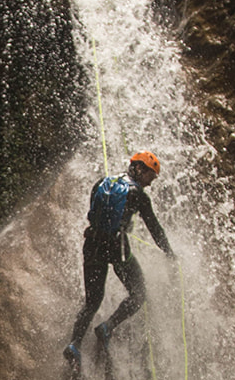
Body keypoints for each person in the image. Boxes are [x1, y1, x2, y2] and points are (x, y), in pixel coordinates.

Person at [63, 150, 175, 367]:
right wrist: (169, 253)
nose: (150, 184)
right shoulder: (139, 195)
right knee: (139, 292)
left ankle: (74, 344)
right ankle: (107, 327)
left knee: (92, 301)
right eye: (150, 177)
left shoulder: (101, 183)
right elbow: (155, 228)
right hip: (116, 247)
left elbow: (93, 215)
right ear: (140, 169)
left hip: (92, 244)